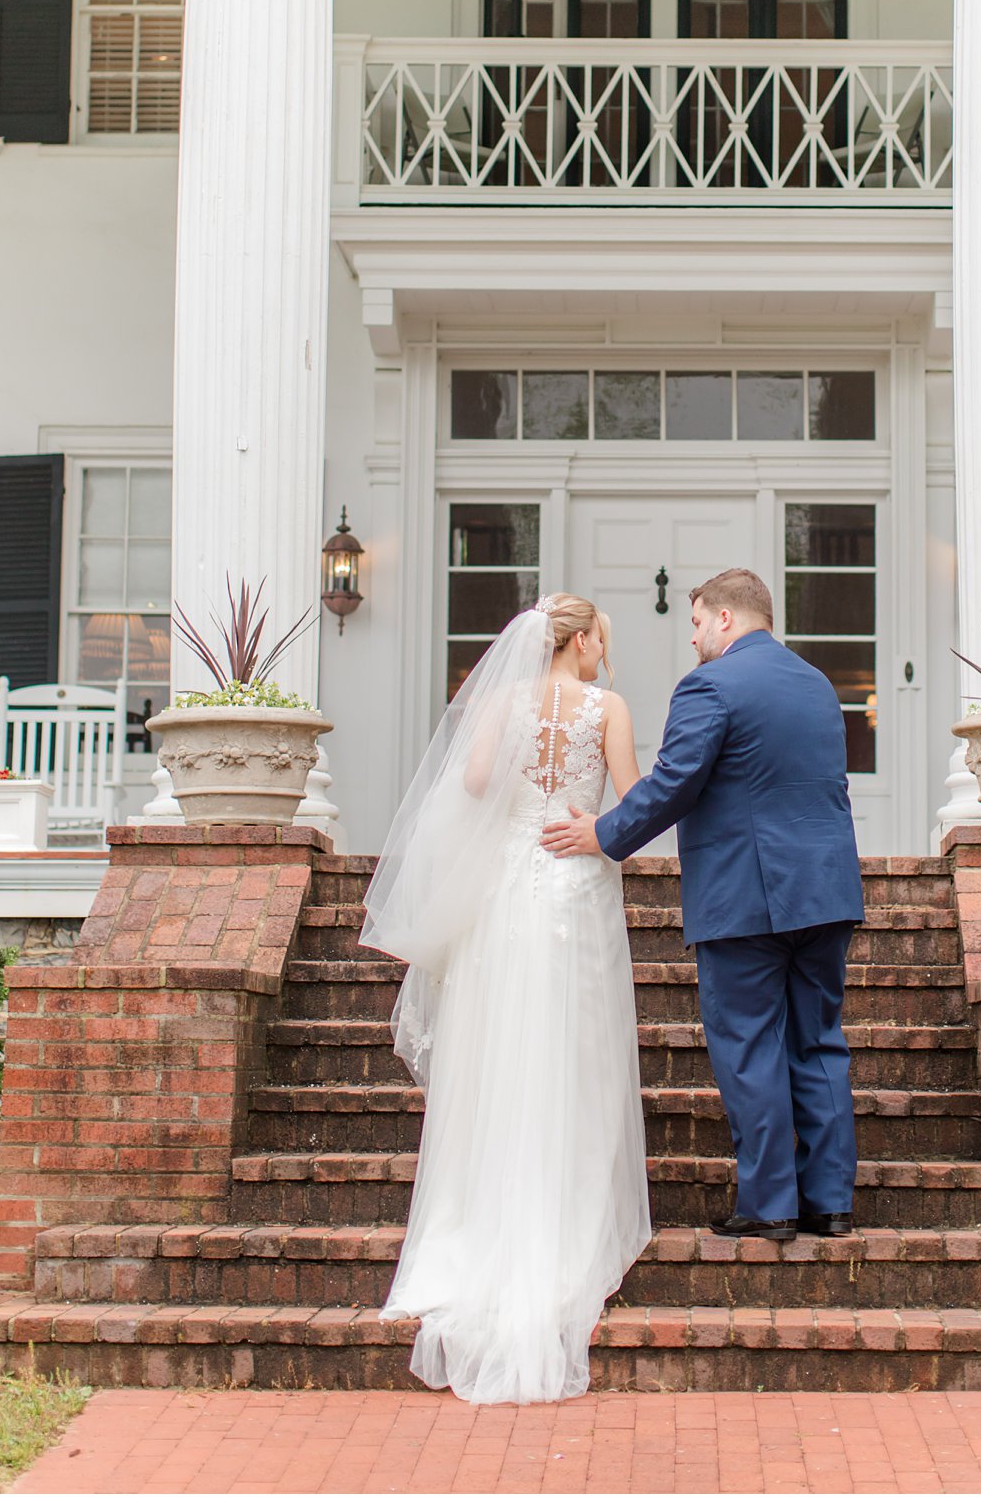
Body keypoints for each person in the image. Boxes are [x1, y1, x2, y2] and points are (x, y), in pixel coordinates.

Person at [358, 593, 650, 1404]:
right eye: (603, 643)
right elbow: (633, 799)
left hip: (505, 898)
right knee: (574, 1051)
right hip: (575, 881)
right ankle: (567, 1221)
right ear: (583, 639)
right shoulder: (608, 707)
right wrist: (585, 818)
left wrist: (513, 819)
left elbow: (478, 780)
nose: (603, 657)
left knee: (497, 1055)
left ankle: (478, 1228)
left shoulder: (499, 701)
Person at [542, 567, 863, 1241]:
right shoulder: (819, 685)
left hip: (746, 896)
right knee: (819, 1043)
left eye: (694, 623)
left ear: (724, 618)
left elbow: (675, 782)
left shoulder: (710, 685)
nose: (690, 639)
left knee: (749, 1046)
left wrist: (602, 833)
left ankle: (771, 1203)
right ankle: (830, 1202)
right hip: (827, 891)